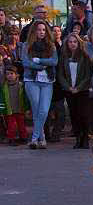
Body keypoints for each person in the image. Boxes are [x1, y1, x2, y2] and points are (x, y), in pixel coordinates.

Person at [21, 20, 58, 149]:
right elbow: (26, 62)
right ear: (33, 31)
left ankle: (34, 138)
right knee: (36, 110)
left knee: (43, 111)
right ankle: (41, 139)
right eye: (38, 30)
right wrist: (40, 66)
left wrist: (40, 60)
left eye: (43, 30)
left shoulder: (51, 46)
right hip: (31, 80)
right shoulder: (27, 45)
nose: (41, 32)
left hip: (47, 81)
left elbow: (54, 61)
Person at [55, 33, 93, 149]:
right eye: (70, 42)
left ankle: (85, 138)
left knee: (83, 114)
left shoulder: (85, 56)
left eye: (75, 42)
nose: (72, 44)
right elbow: (60, 74)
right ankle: (78, 138)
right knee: (74, 115)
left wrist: (79, 87)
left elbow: (88, 75)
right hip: (69, 90)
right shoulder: (64, 57)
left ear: (79, 43)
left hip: (82, 90)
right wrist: (68, 87)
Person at [1, 63, 28, 144]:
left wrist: (27, 109)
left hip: (20, 110)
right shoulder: (4, 87)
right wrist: (2, 111)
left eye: (11, 73)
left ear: (17, 75)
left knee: (22, 125)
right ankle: (11, 139)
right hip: (10, 111)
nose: (9, 75)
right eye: (7, 74)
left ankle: (24, 138)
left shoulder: (21, 86)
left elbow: (25, 98)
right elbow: (2, 100)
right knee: (11, 126)